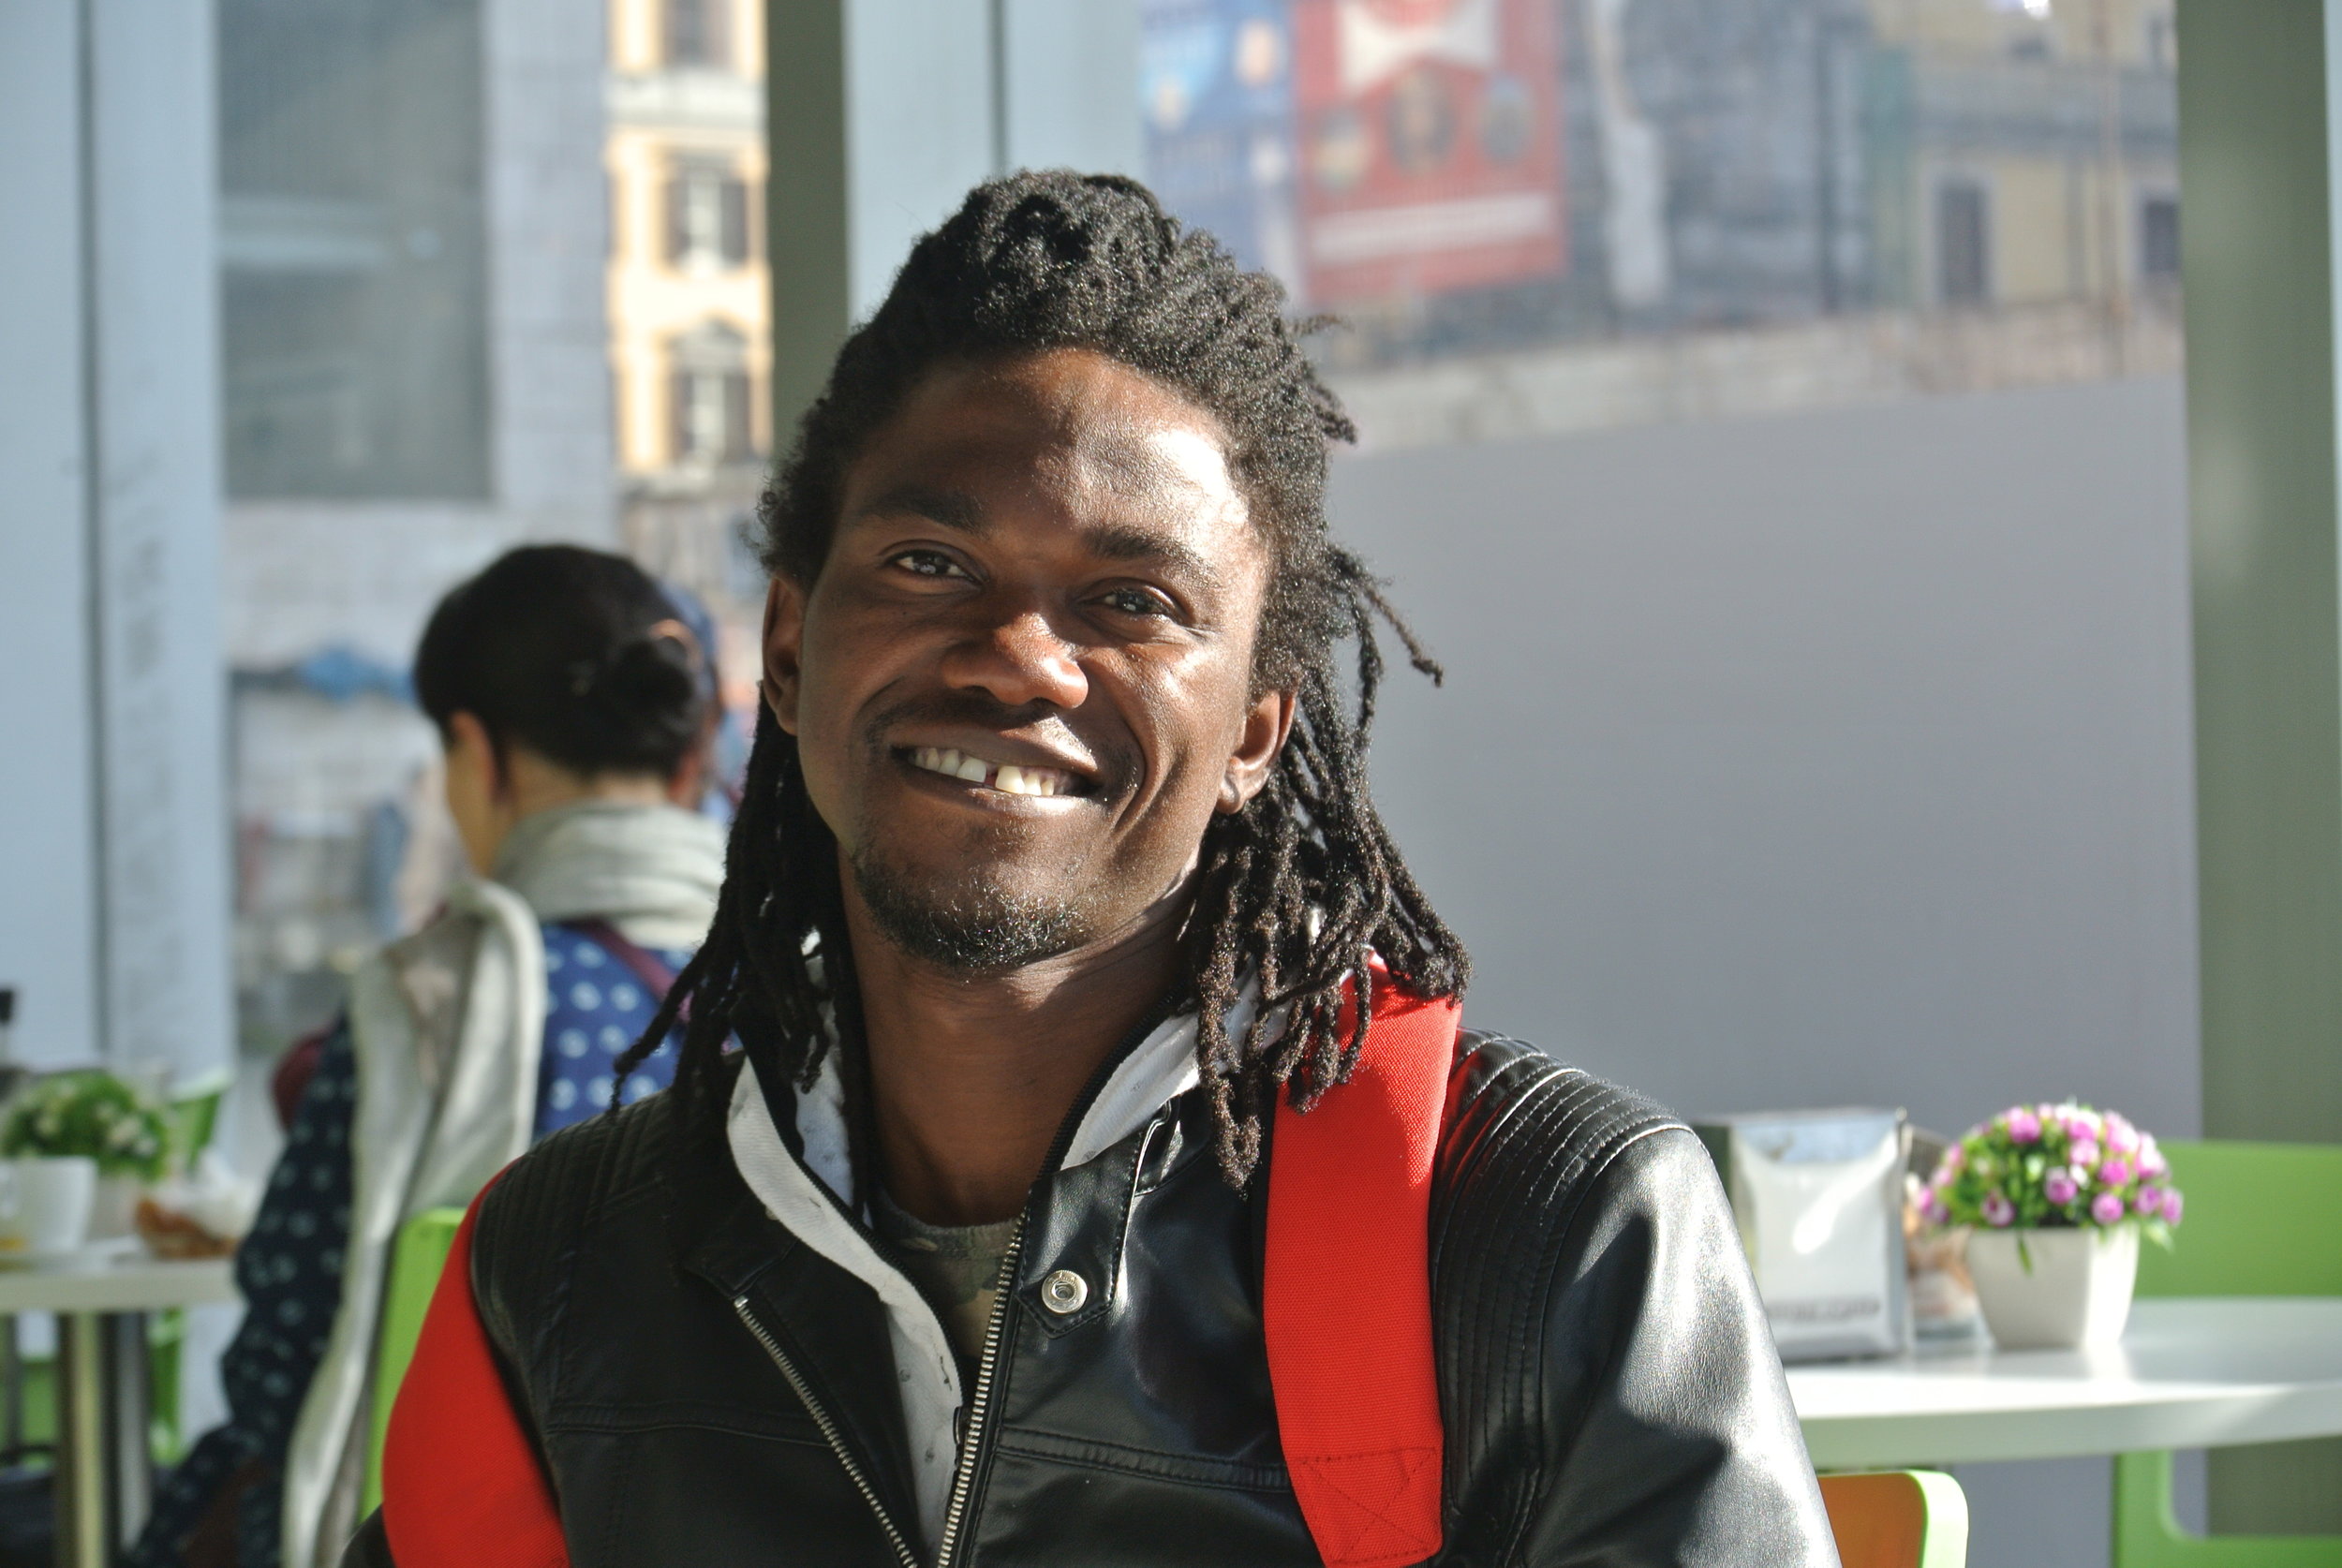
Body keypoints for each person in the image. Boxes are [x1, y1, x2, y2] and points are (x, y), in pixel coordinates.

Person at [350, 173, 1834, 1565]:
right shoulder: (554, 1270)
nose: (1019, 660)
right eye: (933, 563)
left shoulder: (1553, 1235)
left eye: (1135, 598)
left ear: (1257, 729)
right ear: (791, 653)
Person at [132, 546, 730, 1568]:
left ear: (473, 752)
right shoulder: (795, 990)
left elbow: (292, 1342)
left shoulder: (429, 1005)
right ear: (685, 765)